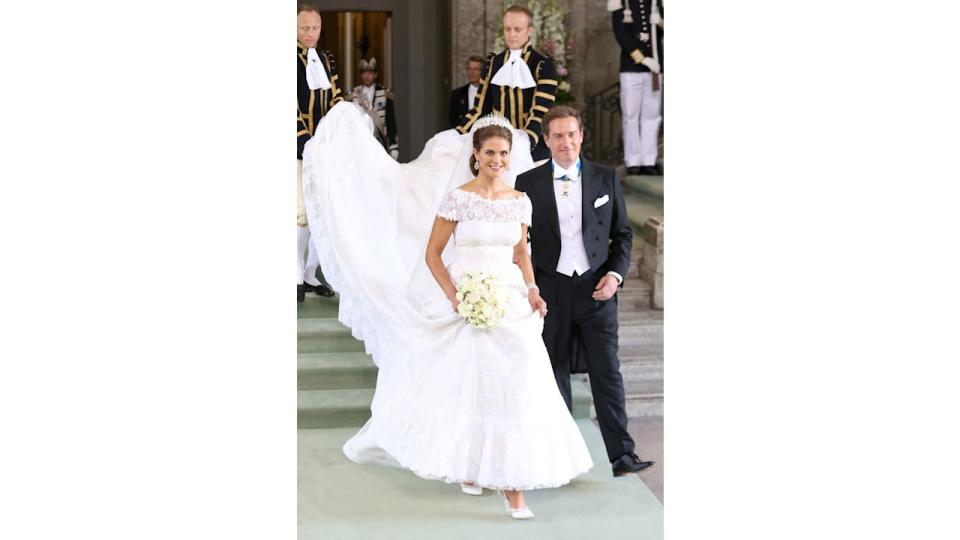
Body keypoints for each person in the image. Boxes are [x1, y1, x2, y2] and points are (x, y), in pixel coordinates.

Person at [301, 108, 592, 519]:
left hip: (510, 300)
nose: (497, 160)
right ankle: (480, 472)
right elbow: (433, 255)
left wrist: (532, 291)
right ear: (475, 154)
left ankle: (511, 481)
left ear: (511, 156)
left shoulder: (520, 202)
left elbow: (521, 253)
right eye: (490, 152)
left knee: (519, 381)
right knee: (473, 381)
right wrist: (456, 296)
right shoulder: (458, 198)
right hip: (469, 295)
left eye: (504, 153)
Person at [514, 105, 656, 477]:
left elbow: (623, 235)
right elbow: (519, 243)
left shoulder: (605, 177)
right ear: (546, 140)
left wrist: (615, 275)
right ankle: (559, 460)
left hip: (598, 290)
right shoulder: (527, 183)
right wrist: (529, 287)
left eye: (572, 134)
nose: (566, 142)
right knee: (553, 373)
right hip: (551, 291)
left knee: (607, 371)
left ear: (582, 135)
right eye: (557, 135)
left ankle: (622, 455)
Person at [456, 5, 558, 162]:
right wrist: (459, 133)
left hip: (533, 149)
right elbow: (480, 109)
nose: (511, 34)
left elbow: (541, 112)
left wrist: (525, 142)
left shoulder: (542, 65)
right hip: (495, 147)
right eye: (507, 29)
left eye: (517, 29)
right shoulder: (493, 63)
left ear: (529, 30)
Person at [297, 4, 340, 301]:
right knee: (300, 213)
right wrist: (305, 142)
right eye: (304, 28)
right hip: (297, 148)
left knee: (321, 211)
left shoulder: (326, 59)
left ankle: (311, 273)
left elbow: (335, 96)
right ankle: (294, 275)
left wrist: (340, 127)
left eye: (315, 28)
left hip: (324, 148)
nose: (310, 33)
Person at [611, 0, 663, 176]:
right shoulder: (621, 2)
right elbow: (621, 34)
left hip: (655, 68)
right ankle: (633, 160)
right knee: (631, 116)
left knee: (652, 116)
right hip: (631, 68)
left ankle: (649, 159)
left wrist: (661, 22)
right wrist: (642, 59)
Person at [351, 58, 399, 160]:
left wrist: (393, 145)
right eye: (364, 72)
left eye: (370, 72)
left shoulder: (384, 93)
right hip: (360, 142)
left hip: (379, 141)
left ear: (375, 75)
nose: (367, 76)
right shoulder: (355, 94)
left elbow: (390, 121)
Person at [448, 55, 484, 129]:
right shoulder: (457, 94)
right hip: (462, 136)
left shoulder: (490, 94)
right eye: (469, 68)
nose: (472, 72)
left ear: (483, 71)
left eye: (476, 69)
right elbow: (453, 120)